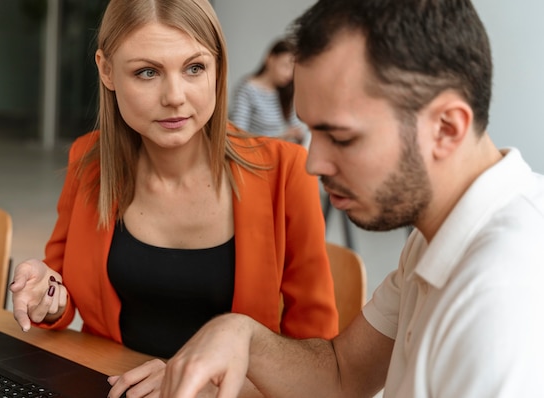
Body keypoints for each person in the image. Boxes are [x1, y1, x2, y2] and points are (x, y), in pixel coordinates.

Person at [159, 0, 544, 397]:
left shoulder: (506, 299)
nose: (314, 164)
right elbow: (343, 375)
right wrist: (240, 333)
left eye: (341, 138)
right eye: (312, 132)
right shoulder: (439, 232)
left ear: (446, 128)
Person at [8, 0, 338, 396]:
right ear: (106, 70)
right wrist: (46, 292)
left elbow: (315, 364)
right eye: (147, 72)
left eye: (194, 68)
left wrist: (192, 382)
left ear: (218, 67)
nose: (175, 97)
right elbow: (62, 297)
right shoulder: (89, 161)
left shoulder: (285, 171)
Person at [229, 39, 306, 144]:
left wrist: (298, 135)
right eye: (285, 66)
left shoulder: (284, 91)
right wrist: (282, 136)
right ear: (269, 59)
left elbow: (295, 127)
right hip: (254, 154)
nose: (289, 74)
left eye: (293, 70)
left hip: (279, 152)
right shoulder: (247, 89)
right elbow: (238, 135)